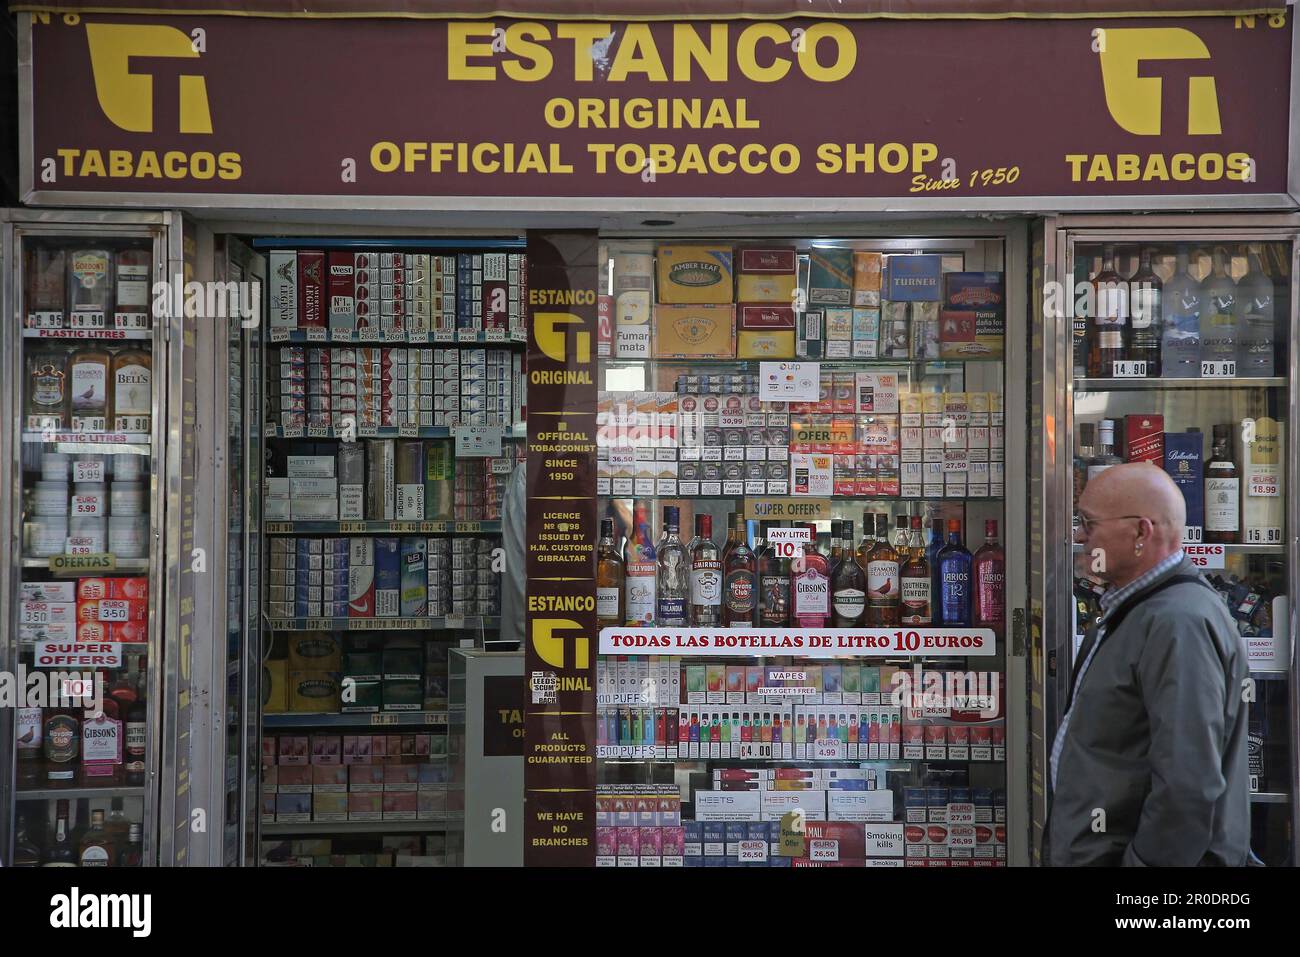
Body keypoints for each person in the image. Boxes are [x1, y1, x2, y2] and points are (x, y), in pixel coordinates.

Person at [1048, 462, 1250, 866]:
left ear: (1141, 532)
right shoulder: (1141, 608)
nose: (1079, 536)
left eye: (1088, 523)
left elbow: (1188, 787)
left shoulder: (1178, 622)